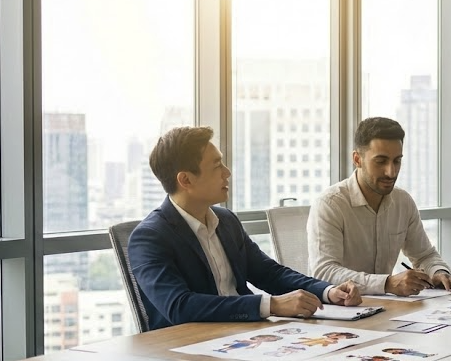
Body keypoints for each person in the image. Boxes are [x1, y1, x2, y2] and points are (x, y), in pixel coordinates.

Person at [128, 126, 362, 330]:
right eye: (217, 165)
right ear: (186, 180)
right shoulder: (149, 238)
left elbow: (269, 273)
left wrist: (327, 291)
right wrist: (272, 305)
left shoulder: (226, 220)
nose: (227, 173)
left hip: (244, 336)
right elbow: (180, 306)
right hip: (190, 349)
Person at [308, 117, 451, 296]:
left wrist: (439, 272)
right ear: (357, 159)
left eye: (397, 161)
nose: (391, 172)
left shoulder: (403, 201)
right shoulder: (330, 204)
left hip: (387, 308)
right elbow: (324, 272)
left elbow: (424, 255)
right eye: (381, 161)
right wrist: (387, 284)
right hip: (340, 311)